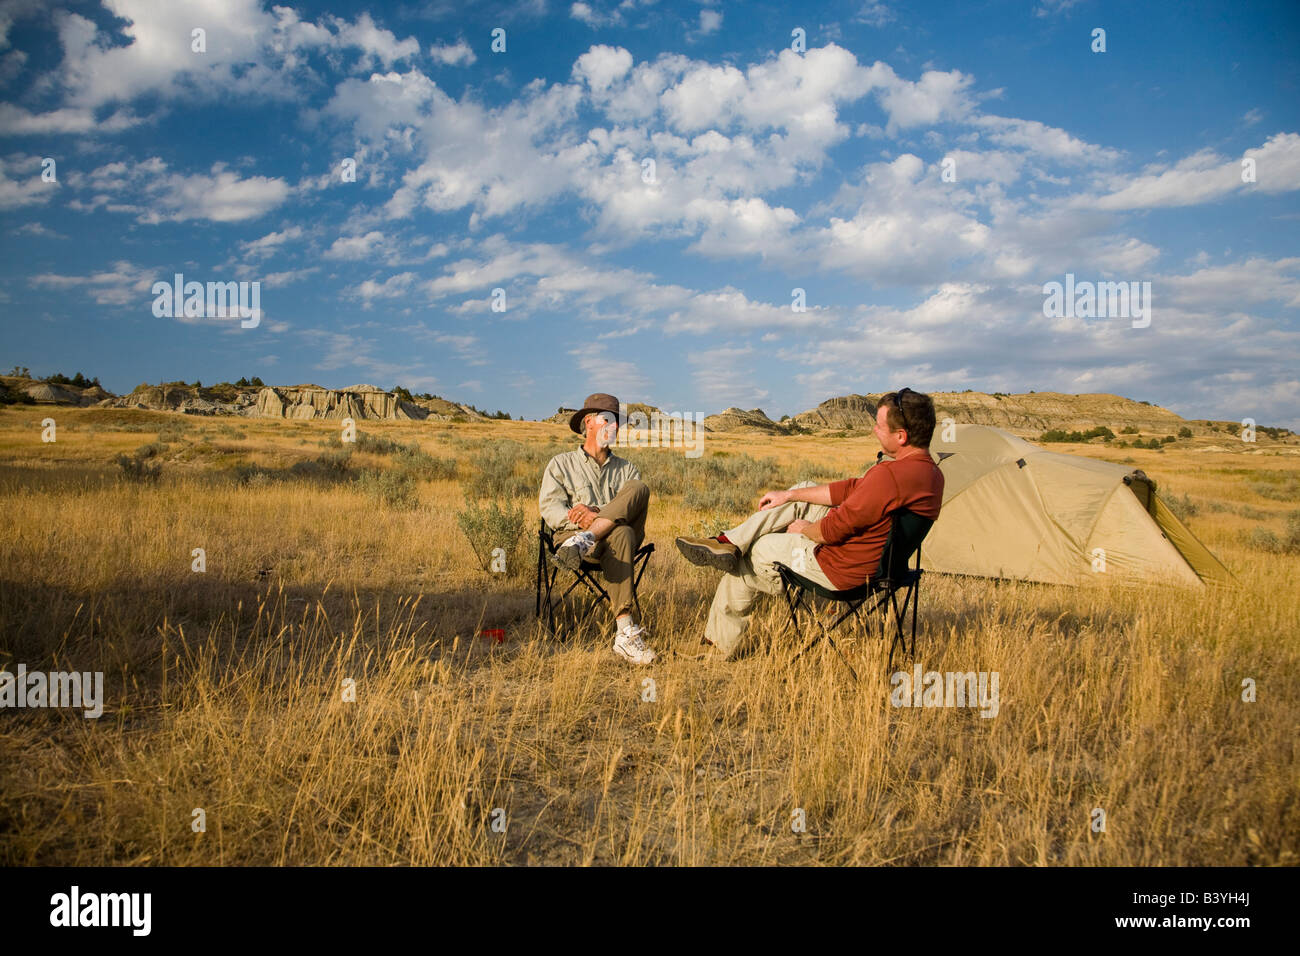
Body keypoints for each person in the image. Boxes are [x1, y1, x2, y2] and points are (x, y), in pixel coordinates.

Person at [675, 388, 945, 660]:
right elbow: (853, 489)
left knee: (758, 550)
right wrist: (789, 495)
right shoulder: (930, 474)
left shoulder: (889, 476)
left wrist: (803, 530)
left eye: (879, 425)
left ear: (901, 436)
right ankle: (729, 542)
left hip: (839, 571)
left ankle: (716, 645)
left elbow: (832, 530)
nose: (874, 430)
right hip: (883, 568)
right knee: (802, 491)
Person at [538, 392, 656, 664]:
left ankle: (587, 537)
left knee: (639, 491)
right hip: (576, 543)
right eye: (608, 420)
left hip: (607, 544)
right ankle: (626, 632)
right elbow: (551, 509)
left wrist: (594, 515)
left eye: (617, 423)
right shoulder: (561, 464)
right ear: (589, 422)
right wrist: (580, 521)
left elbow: (632, 510)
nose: (614, 427)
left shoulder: (627, 470)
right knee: (622, 531)